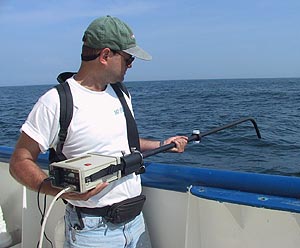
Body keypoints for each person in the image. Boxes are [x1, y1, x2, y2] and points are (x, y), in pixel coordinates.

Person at [9, 15, 188, 248]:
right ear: (105, 55)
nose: (131, 65)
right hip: (92, 233)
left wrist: (162, 144)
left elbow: (121, 143)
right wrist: (58, 191)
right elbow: (19, 161)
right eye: (128, 58)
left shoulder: (122, 94)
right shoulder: (55, 102)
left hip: (136, 223)